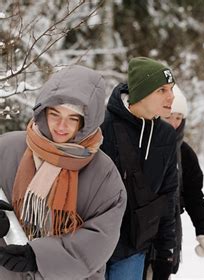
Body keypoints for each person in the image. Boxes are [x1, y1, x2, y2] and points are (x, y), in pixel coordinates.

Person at [0, 65, 127, 279]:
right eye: (55, 114)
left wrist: (39, 256)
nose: (61, 126)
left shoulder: (104, 175)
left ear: (87, 122)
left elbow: (99, 240)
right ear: (43, 112)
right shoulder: (7, 148)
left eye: (73, 118)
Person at [101, 57, 178, 280]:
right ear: (142, 92)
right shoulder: (102, 126)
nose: (171, 96)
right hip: (96, 243)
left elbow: (168, 194)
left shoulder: (165, 135)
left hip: (134, 248)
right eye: (162, 90)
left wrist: (165, 253)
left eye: (171, 89)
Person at [144, 85, 204, 279]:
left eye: (179, 118)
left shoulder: (185, 153)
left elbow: (194, 195)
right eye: (169, 117)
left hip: (169, 238)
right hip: (140, 238)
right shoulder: (143, 145)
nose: (174, 124)